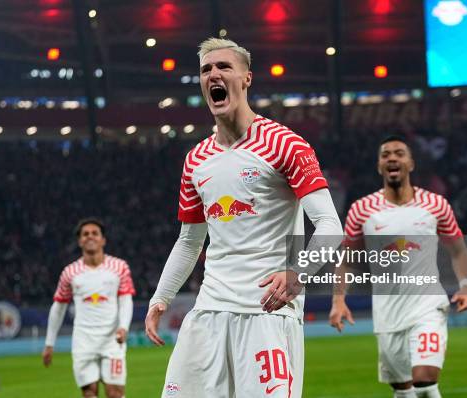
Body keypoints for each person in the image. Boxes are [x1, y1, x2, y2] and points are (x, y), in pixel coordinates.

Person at [145, 37, 343, 398]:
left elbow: (331, 227)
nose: (213, 75)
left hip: (267, 312)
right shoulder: (196, 160)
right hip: (208, 312)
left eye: (224, 67)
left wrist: (298, 275)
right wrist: (161, 297)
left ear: (246, 78)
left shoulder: (285, 144)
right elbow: (189, 241)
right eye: (206, 70)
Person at [329, 135, 467, 398]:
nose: (392, 158)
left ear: (411, 163)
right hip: (388, 312)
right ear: (379, 166)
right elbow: (347, 260)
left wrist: (465, 286)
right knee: (403, 390)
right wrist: (339, 301)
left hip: (427, 305)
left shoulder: (436, 205)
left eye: (399, 153)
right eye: (385, 155)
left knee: (425, 381)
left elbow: (458, 249)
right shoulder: (362, 210)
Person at [42, 218, 135, 398]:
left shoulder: (119, 267)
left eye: (94, 233)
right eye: (85, 234)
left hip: (112, 340)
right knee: (89, 393)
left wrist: (124, 327)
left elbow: (126, 300)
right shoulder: (70, 273)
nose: (90, 237)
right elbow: (58, 308)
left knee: (115, 393)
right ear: (79, 241)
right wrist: (49, 343)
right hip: (83, 341)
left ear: (103, 240)